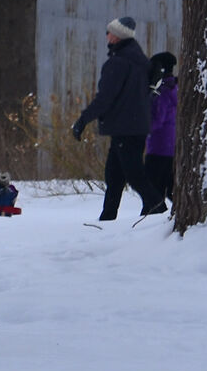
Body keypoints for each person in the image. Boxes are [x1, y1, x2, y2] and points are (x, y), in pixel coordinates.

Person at [72, 16, 154, 220]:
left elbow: (105, 98)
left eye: (109, 32)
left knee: (134, 174)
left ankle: (156, 206)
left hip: (126, 127)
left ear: (117, 36)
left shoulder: (118, 63)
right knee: (114, 175)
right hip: (133, 126)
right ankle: (108, 216)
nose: (106, 35)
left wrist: (83, 120)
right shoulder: (139, 59)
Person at [143, 51, 179, 216]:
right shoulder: (176, 89)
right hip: (170, 147)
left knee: (151, 190)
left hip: (157, 147)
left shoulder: (162, 93)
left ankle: (148, 222)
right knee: (169, 188)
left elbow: (157, 120)